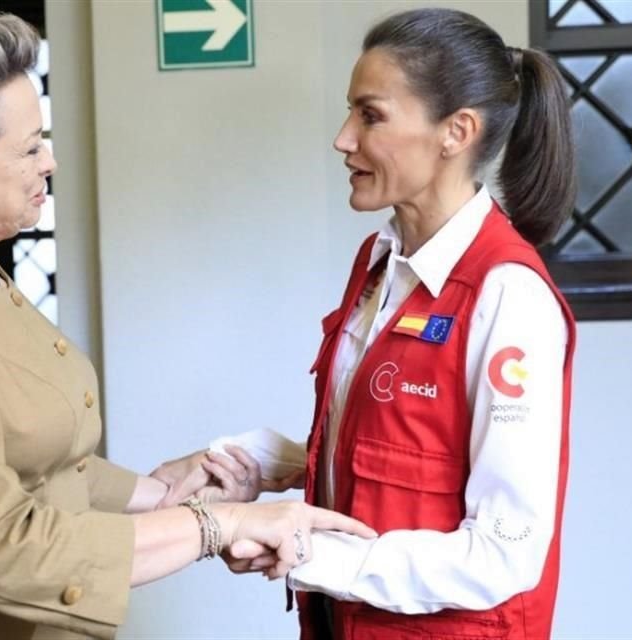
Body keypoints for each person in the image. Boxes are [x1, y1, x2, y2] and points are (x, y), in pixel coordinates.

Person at [0, 4, 375, 639]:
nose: (48, 162)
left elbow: (34, 456)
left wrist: (160, 494)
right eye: (28, 148)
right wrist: (219, 528)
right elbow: (4, 551)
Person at [219, 7, 577, 640]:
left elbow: (504, 552)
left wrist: (309, 551)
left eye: (370, 115)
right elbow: (403, 453)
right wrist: (254, 459)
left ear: (455, 132)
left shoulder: (507, 297)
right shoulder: (380, 261)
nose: (343, 138)